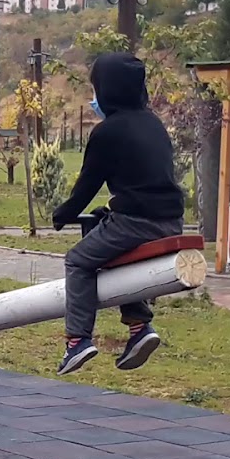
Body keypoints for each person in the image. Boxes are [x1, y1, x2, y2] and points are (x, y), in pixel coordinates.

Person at [51, 51, 186, 376]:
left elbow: (86, 186)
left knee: (79, 261)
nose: (94, 97)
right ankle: (140, 328)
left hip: (138, 221)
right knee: (112, 240)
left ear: (107, 91)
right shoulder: (154, 124)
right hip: (172, 221)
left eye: (96, 89)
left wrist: (62, 214)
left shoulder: (107, 132)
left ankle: (77, 340)